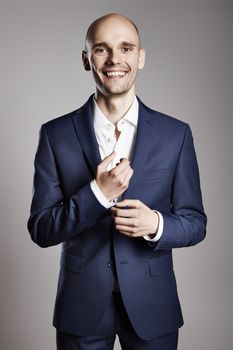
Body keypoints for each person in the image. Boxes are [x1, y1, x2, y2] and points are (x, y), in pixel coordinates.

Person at [28, 13, 207, 350]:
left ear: (141, 56)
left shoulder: (175, 134)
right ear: (86, 59)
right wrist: (96, 195)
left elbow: (196, 223)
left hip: (154, 306)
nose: (114, 60)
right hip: (80, 308)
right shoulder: (55, 135)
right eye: (101, 50)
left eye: (126, 48)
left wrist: (155, 224)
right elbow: (40, 229)